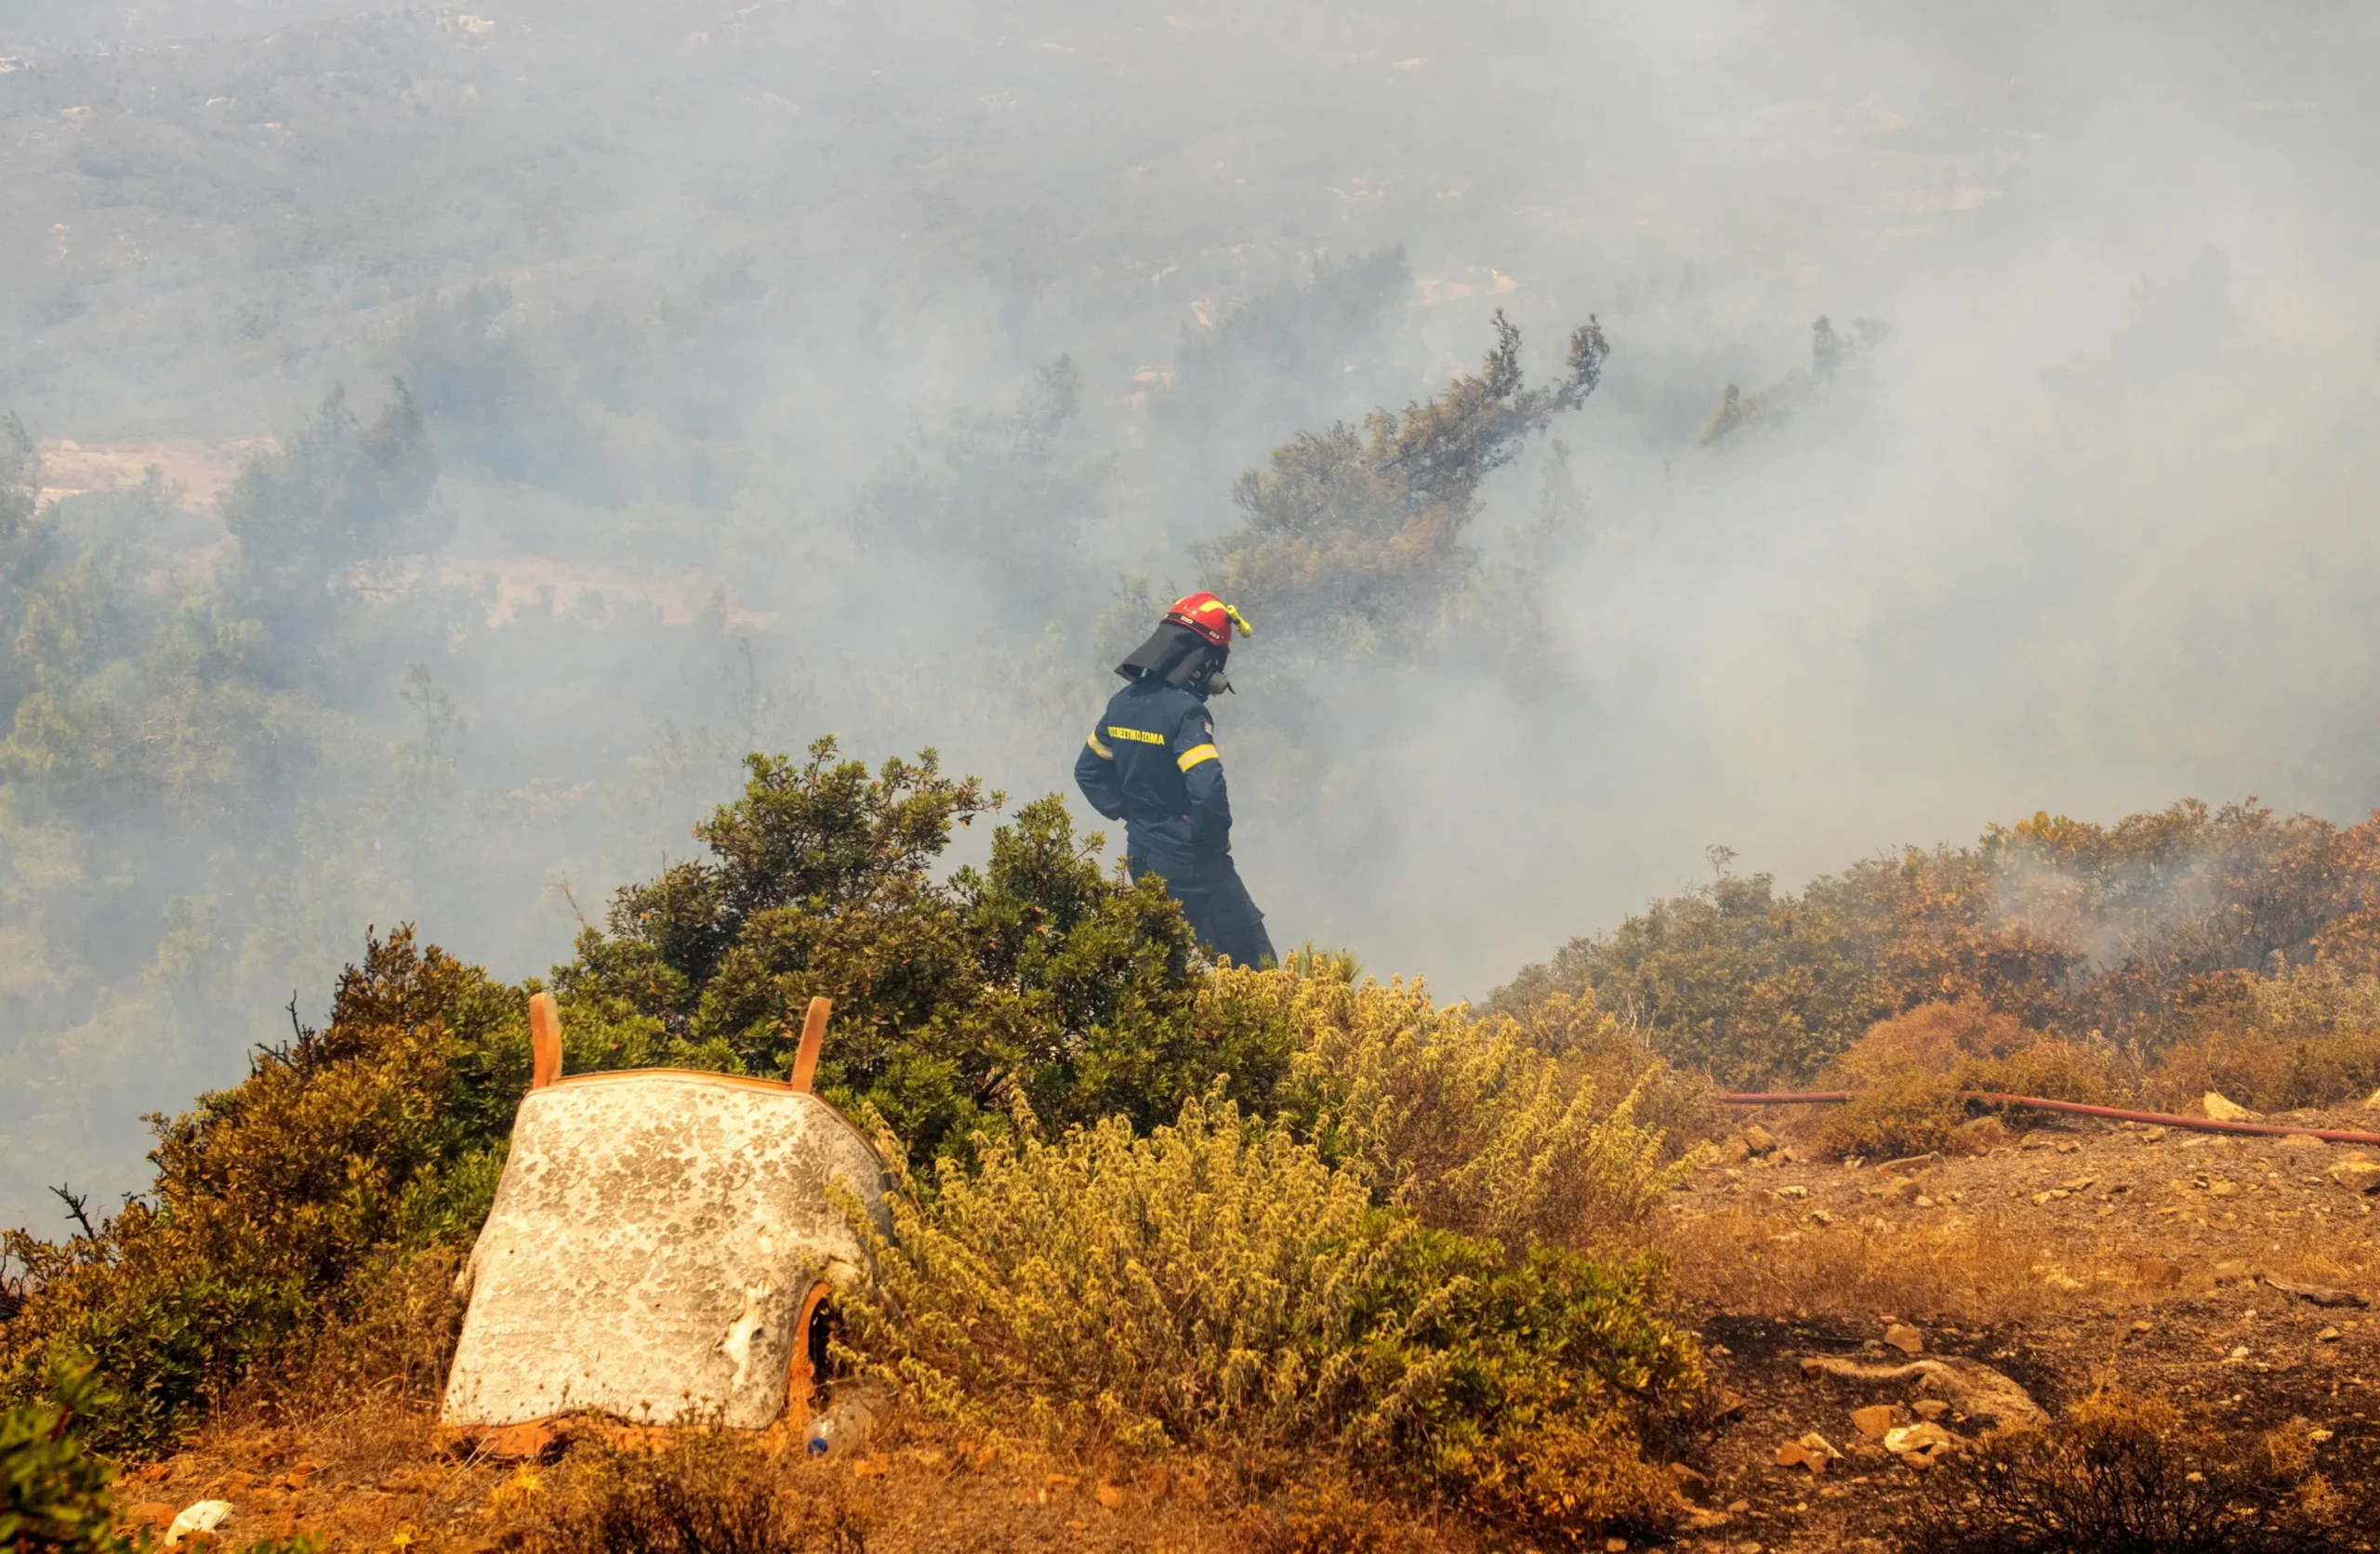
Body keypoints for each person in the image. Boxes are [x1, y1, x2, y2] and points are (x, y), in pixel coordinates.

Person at [1074, 591, 1276, 968]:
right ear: (1203, 660)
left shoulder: (1123, 702)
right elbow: (1207, 786)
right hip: (1192, 862)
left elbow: (1088, 770)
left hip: (1142, 857)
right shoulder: (1187, 712)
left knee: (1167, 974)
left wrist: (1133, 814)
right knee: (1257, 972)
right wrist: (1209, 839)